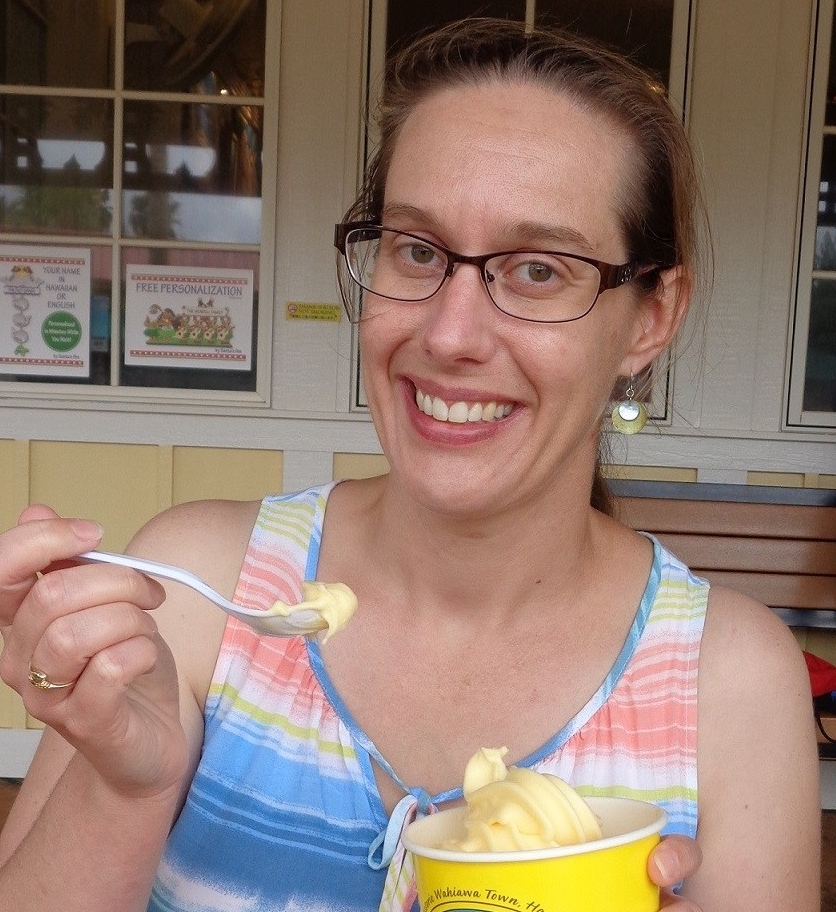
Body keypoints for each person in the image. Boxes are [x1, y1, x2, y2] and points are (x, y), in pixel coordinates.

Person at [0, 17, 820, 912]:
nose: (451, 334)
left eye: (538, 270)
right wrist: (127, 787)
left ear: (651, 317)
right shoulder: (198, 591)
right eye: (419, 251)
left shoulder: (732, 685)